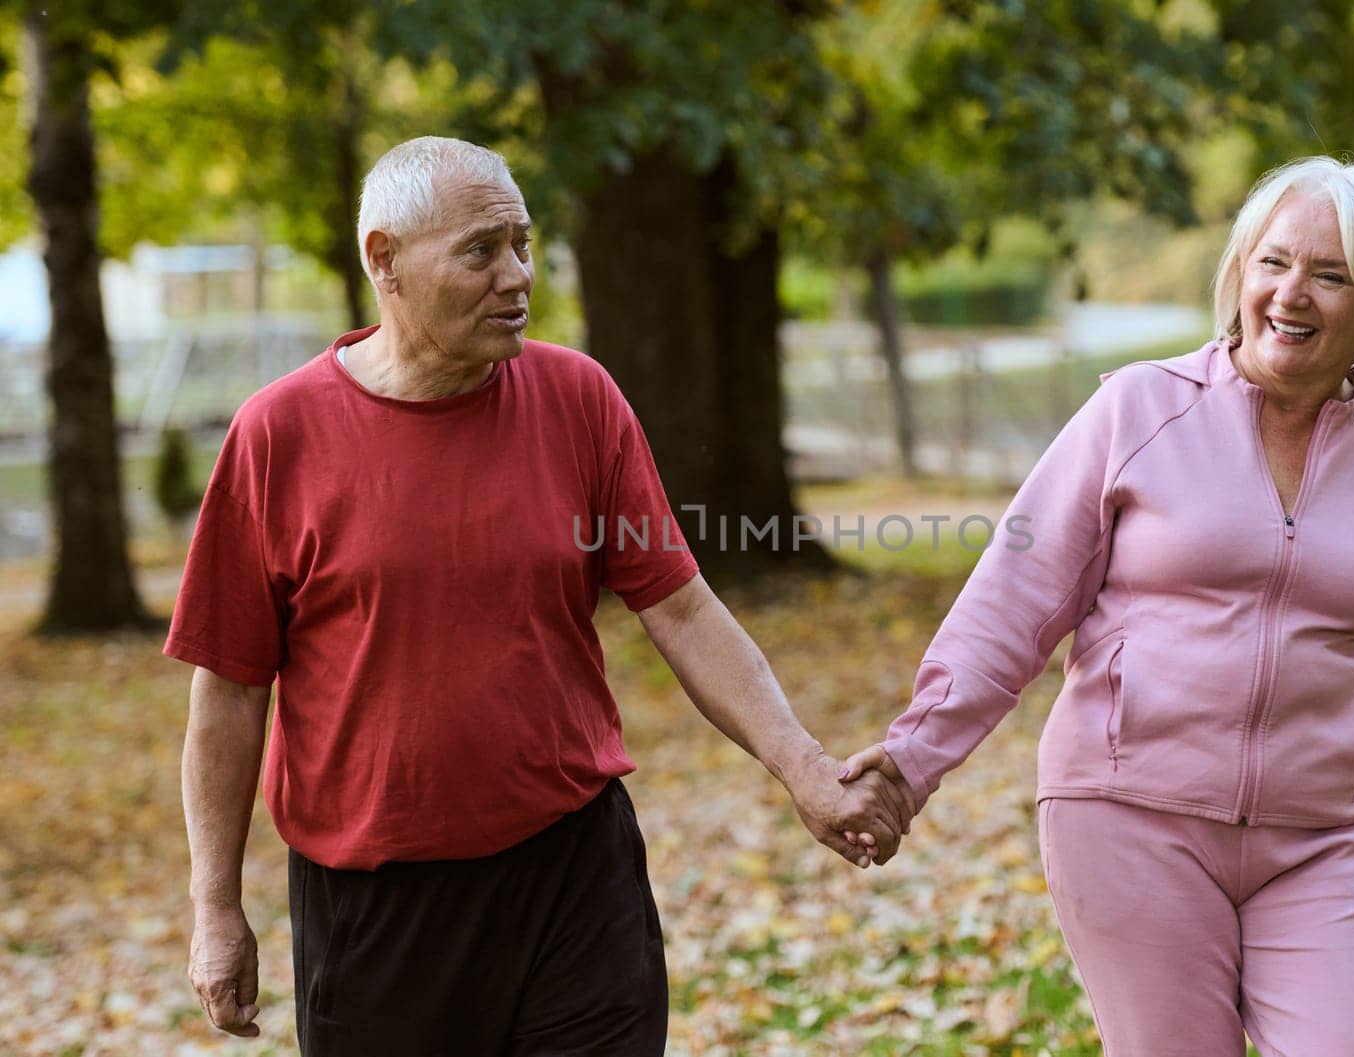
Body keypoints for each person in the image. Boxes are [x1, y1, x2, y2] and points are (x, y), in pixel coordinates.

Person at [166, 136, 913, 1056]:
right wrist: (215, 908)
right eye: (481, 251)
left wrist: (804, 767)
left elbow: (680, 608)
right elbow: (231, 690)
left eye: (522, 243)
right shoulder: (276, 435)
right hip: (376, 911)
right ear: (384, 260)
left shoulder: (579, 399)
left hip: (574, 877)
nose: (516, 275)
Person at [840, 156, 1354, 1056]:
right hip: (1128, 817)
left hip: (1320, 841)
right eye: (1272, 262)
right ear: (1239, 273)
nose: (1290, 293)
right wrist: (913, 759)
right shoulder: (1137, 410)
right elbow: (1014, 603)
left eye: (1330, 274)